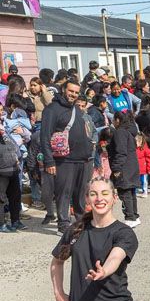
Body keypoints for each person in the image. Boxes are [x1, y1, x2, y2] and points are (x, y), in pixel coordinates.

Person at [40, 80, 94, 235]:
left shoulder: (76, 109)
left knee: (80, 193)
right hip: (64, 160)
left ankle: (80, 223)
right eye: (71, 91)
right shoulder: (52, 109)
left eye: (76, 92)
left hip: (82, 159)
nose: (74, 95)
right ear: (63, 89)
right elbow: (45, 136)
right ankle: (63, 224)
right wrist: (49, 160)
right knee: (64, 193)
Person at [109, 112, 141, 228]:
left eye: (113, 119)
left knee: (125, 192)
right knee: (131, 192)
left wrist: (117, 168)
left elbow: (120, 152)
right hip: (132, 166)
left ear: (118, 120)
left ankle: (130, 217)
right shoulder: (129, 132)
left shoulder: (120, 133)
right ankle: (135, 216)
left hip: (124, 167)